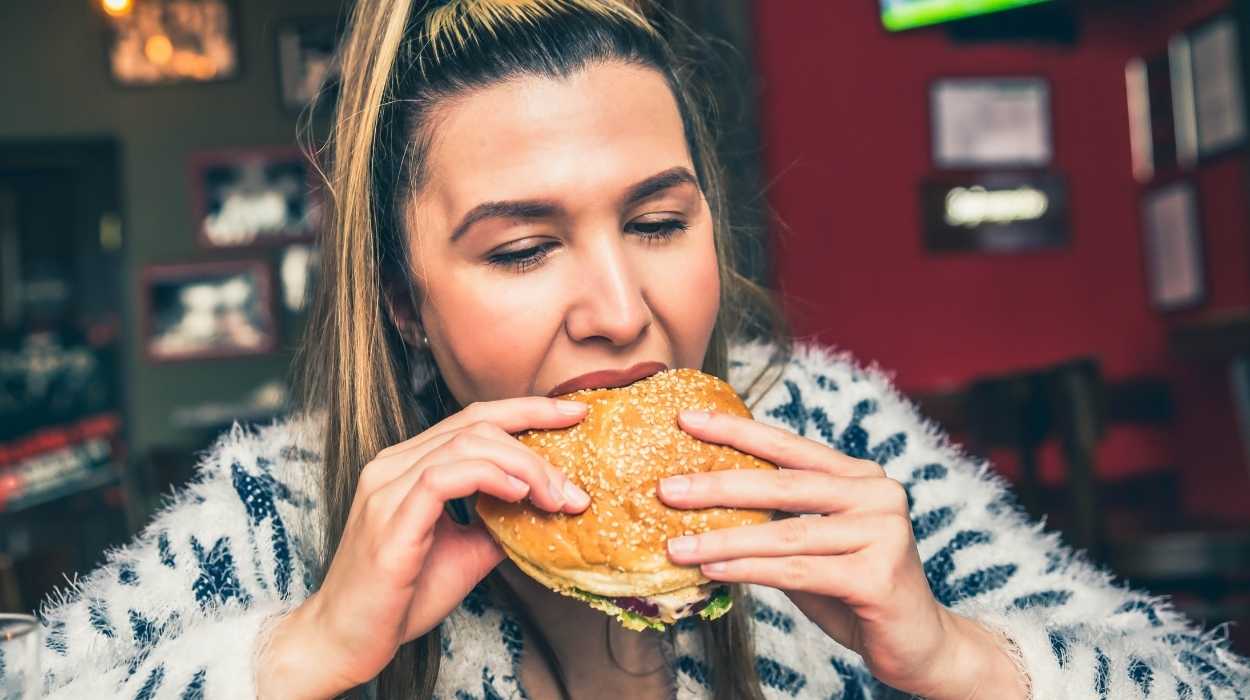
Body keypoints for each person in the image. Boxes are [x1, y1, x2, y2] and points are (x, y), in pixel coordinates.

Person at [29, 1, 1250, 698]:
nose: (618, 307)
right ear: (405, 299)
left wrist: (956, 655)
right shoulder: (285, 508)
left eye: (659, 222)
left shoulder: (829, 440)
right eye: (520, 250)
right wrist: (297, 654)